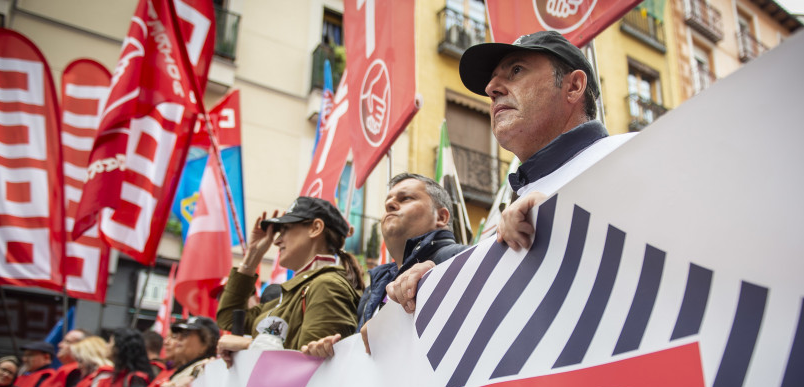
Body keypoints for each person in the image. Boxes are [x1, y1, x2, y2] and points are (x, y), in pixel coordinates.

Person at [386, 30, 637, 311]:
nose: (491, 88)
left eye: (516, 70)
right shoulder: (516, 206)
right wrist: (438, 283)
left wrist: (566, 215)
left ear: (574, 86)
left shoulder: (636, 154)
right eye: (492, 80)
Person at [302, 173, 468, 357]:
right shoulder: (374, 288)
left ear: (441, 217)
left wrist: (440, 274)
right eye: (387, 202)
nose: (390, 205)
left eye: (406, 198)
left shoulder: (461, 258)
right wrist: (331, 354)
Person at [216, 197, 363, 363]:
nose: (277, 240)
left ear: (315, 228)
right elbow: (229, 318)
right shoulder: (292, 294)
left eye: (285, 229)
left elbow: (314, 367)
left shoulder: (327, 285)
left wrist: (249, 346)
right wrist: (253, 255)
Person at [136, 316, 220, 387]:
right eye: (178, 335)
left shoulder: (207, 369)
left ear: (206, 342)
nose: (178, 338)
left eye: (186, 334)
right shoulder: (184, 370)